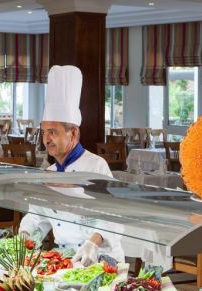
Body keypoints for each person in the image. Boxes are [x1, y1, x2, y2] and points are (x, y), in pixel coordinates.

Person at [19, 65, 124, 265]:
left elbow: (114, 215)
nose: (46, 139)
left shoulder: (96, 166)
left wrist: (93, 243)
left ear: (73, 133)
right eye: (44, 132)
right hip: (65, 259)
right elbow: (38, 216)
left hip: (101, 259)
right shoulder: (49, 173)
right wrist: (25, 235)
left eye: (53, 132)